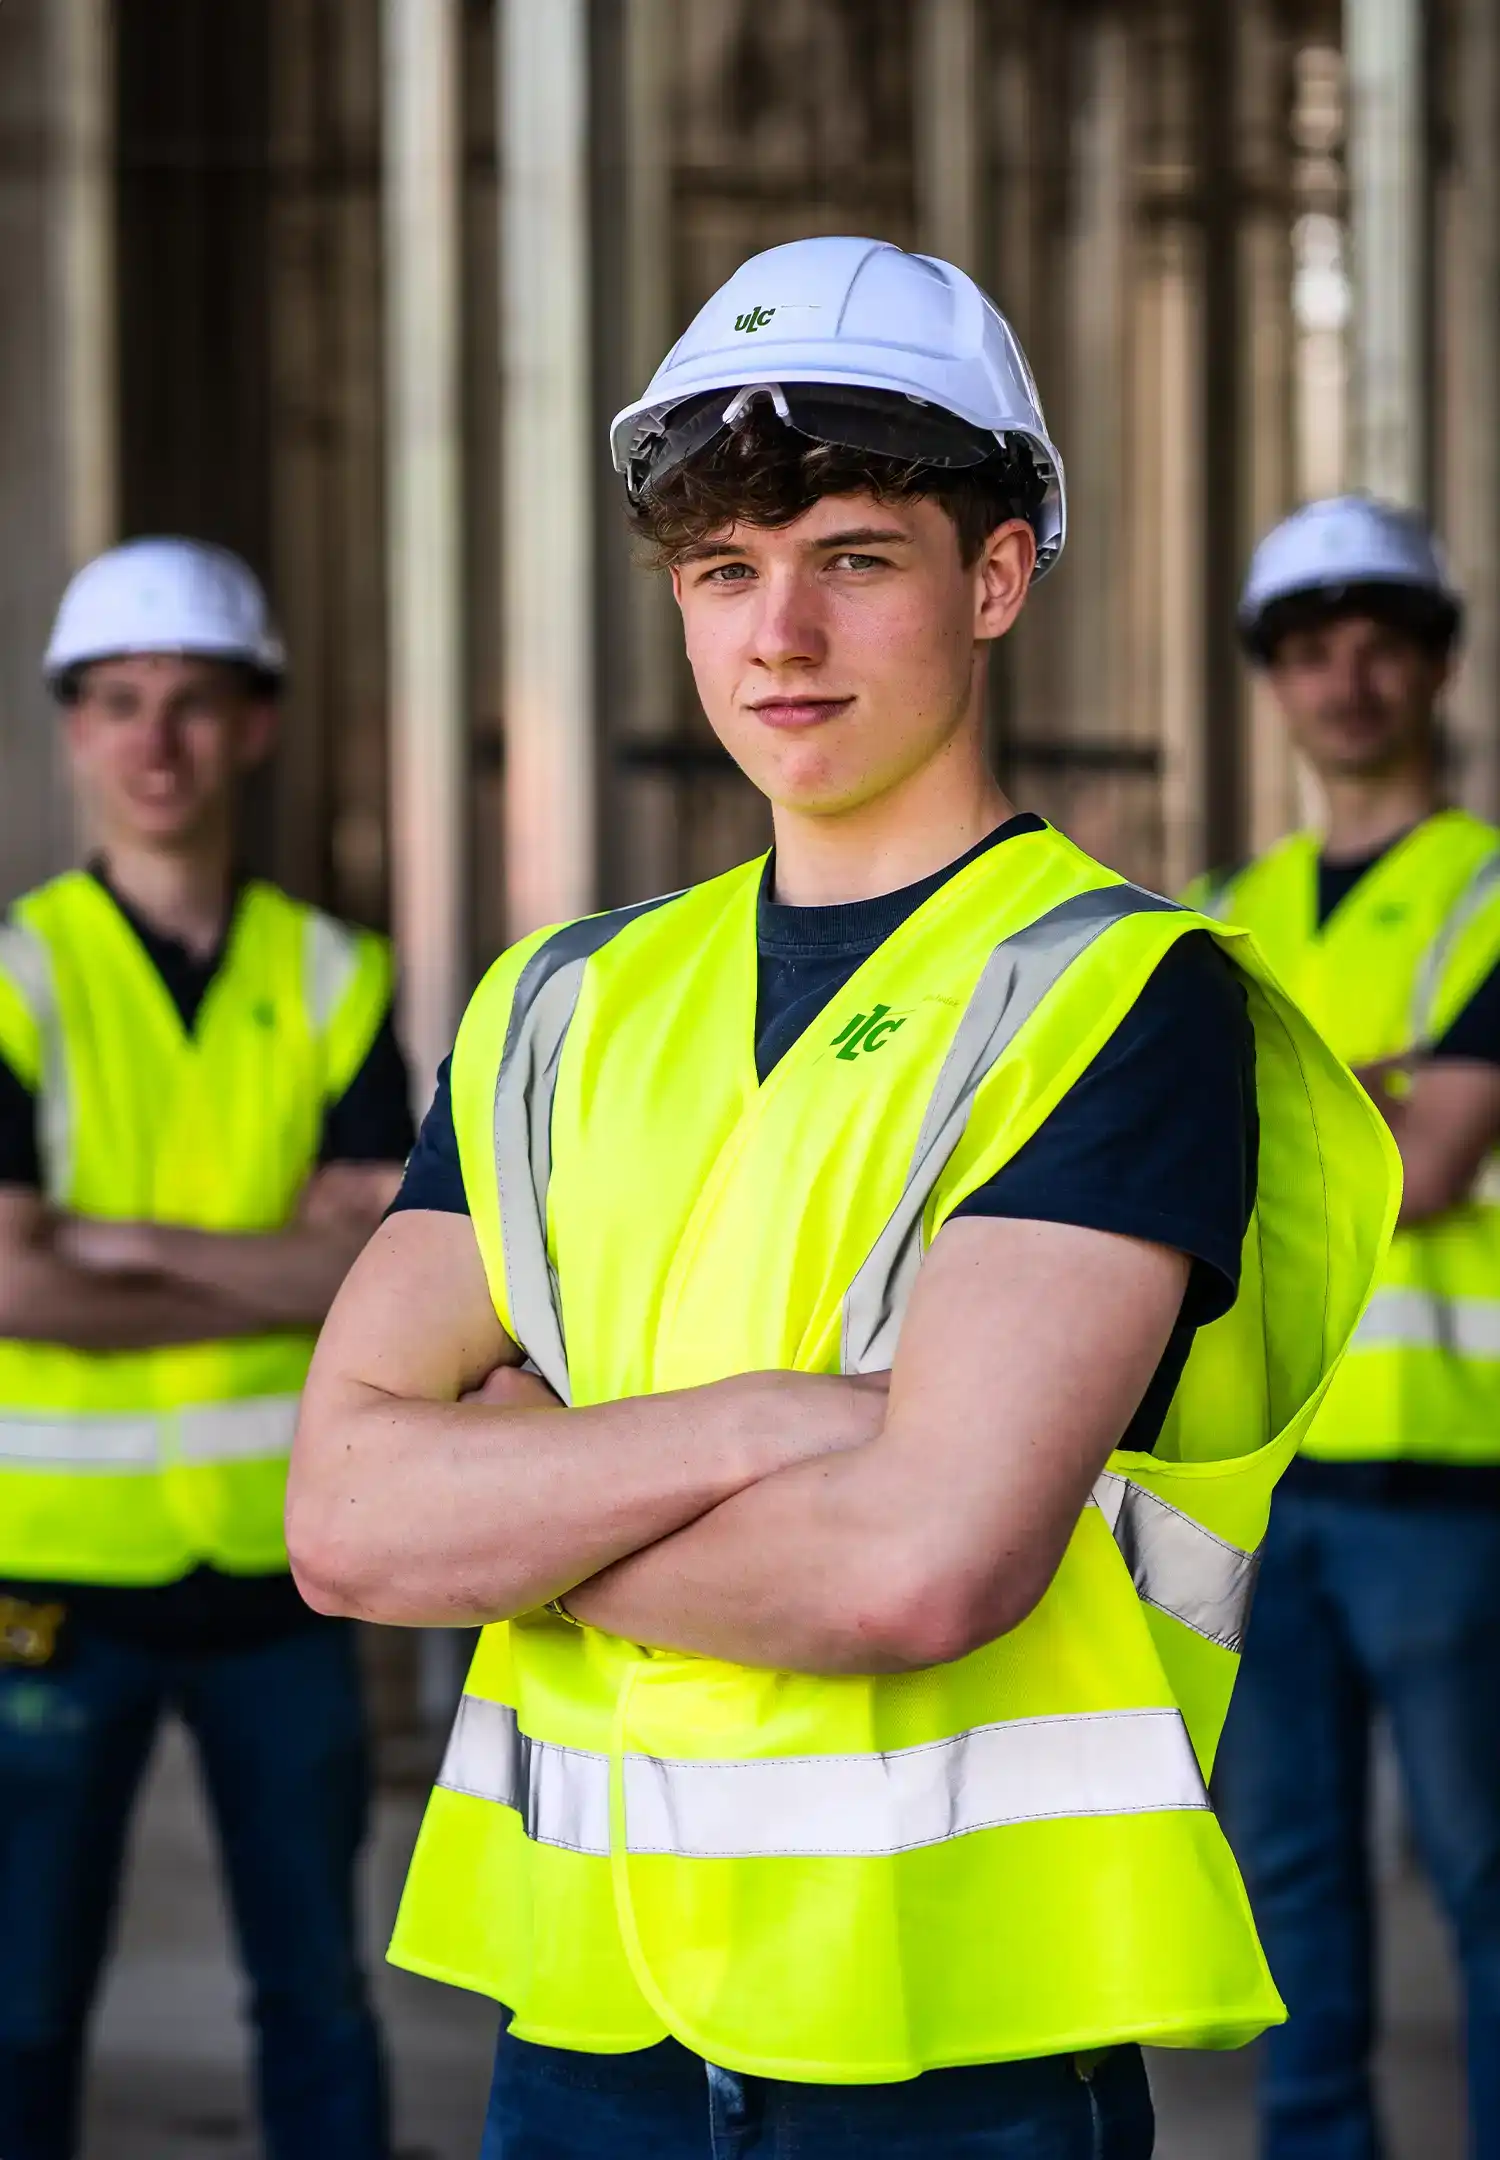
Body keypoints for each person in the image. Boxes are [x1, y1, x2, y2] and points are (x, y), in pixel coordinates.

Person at [288, 238, 1394, 2160]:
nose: (777, 633)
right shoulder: (561, 1004)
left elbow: (920, 1567)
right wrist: (775, 1429)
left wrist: (518, 1510)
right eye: (726, 572)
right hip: (585, 2029)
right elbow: (341, 1523)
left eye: (853, 557)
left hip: (947, 2047)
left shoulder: (1113, 999)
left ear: (994, 576)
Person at [0, 538, 412, 2160]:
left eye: (191, 702)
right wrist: (286, 1266)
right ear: (72, 730)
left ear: (256, 726)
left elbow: (382, 1262)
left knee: (315, 1991)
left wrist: (127, 1240)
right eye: (117, 704)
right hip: (49, 1574)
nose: (154, 740)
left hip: (284, 1567)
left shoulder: (335, 975)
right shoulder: (19, 975)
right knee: (23, 1998)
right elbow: (8, 1288)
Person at [1198, 495, 1500, 2160]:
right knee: (1288, 1873)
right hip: (1267, 1479)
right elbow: (1157, 1162)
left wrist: (1276, 1112)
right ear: (1275, 681)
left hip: (1454, 1478)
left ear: (1438, 664)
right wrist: (1375, 1096)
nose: (1349, 678)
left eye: (1382, 641)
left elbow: (1440, 1157)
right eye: (1311, 650)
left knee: (1483, 1873)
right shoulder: (1221, 906)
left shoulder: (1489, 895)